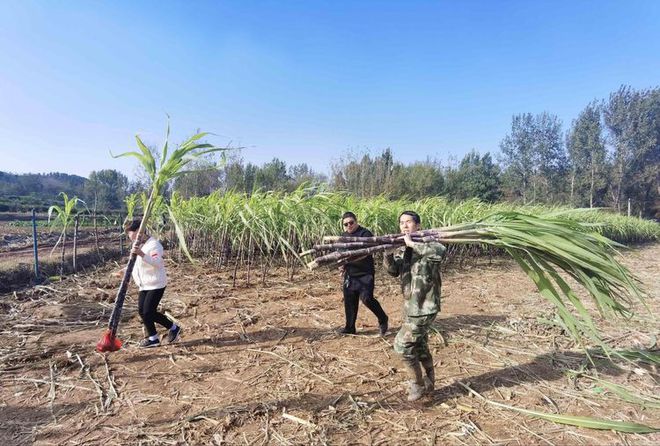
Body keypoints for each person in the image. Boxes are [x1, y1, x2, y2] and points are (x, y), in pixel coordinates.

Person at [384, 211, 445, 401]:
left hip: (424, 306)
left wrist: (413, 244)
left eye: (408, 222)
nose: (404, 226)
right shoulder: (404, 249)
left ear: (417, 225)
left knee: (402, 345)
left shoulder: (430, 243)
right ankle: (429, 383)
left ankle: (417, 385)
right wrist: (388, 256)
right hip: (410, 307)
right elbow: (394, 271)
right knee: (420, 347)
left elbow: (439, 253)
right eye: (401, 222)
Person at [123, 218, 181, 348]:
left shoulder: (154, 245)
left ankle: (173, 327)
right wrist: (125, 274)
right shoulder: (140, 245)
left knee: (149, 311)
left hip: (156, 283)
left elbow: (158, 263)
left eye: (130, 233)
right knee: (142, 312)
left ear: (139, 231)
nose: (129, 236)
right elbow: (137, 265)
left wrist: (141, 254)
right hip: (144, 284)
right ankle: (153, 338)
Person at [339, 212, 389, 336]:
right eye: (346, 224)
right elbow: (339, 253)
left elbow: (366, 252)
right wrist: (341, 265)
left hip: (365, 273)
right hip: (350, 274)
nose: (349, 226)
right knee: (349, 301)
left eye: (351, 222)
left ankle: (383, 318)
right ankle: (350, 327)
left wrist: (349, 256)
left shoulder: (365, 234)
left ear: (356, 221)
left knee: (367, 299)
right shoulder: (343, 236)